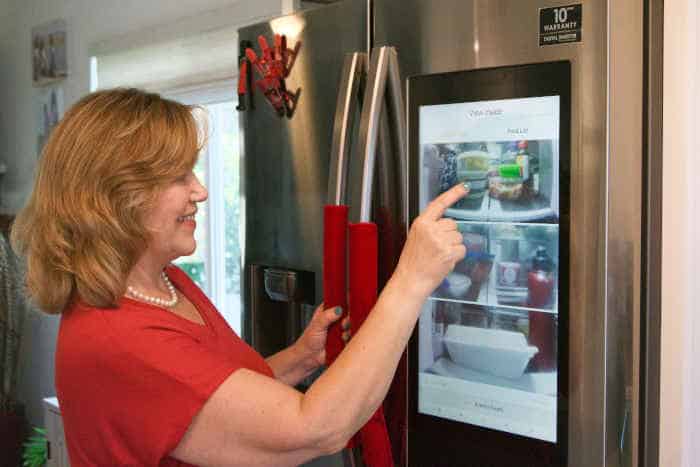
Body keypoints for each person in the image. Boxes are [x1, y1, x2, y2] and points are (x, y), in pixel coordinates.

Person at [11, 88, 468, 466]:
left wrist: (301, 358)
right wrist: (411, 279)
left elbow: (206, 401)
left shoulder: (165, 284)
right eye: (178, 176)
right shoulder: (122, 338)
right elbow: (316, 429)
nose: (201, 191)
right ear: (113, 197)